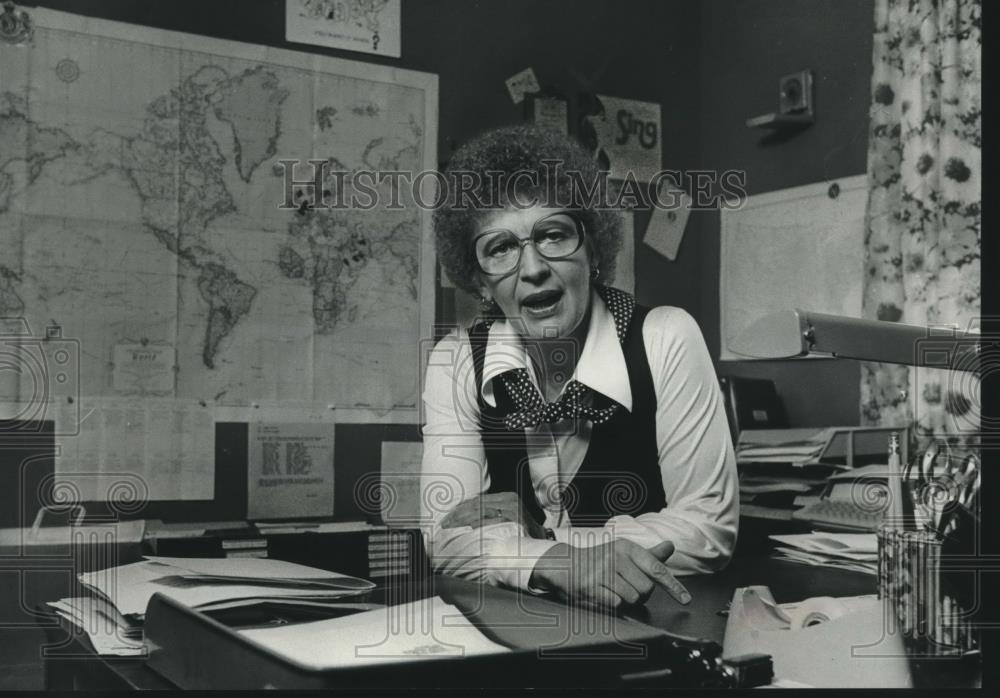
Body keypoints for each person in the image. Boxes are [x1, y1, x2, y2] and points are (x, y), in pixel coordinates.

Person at [419, 124, 738, 610]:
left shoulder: (665, 337)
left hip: (648, 631)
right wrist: (560, 561)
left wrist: (537, 545)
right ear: (481, 282)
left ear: (593, 250)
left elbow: (707, 529)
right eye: (499, 248)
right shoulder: (455, 359)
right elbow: (445, 538)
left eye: (553, 234)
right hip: (516, 638)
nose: (532, 269)